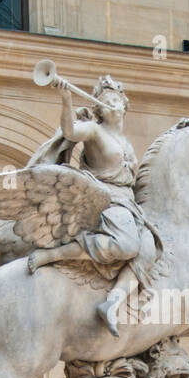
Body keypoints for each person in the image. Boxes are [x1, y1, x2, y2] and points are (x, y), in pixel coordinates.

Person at [24, 73, 160, 336]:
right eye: (105, 101)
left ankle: (113, 301)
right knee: (127, 245)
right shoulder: (95, 131)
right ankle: (52, 255)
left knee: (148, 247)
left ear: (123, 105)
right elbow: (70, 131)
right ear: (99, 108)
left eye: (115, 100)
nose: (111, 104)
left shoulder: (126, 141)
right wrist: (66, 99)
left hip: (129, 205)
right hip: (107, 201)